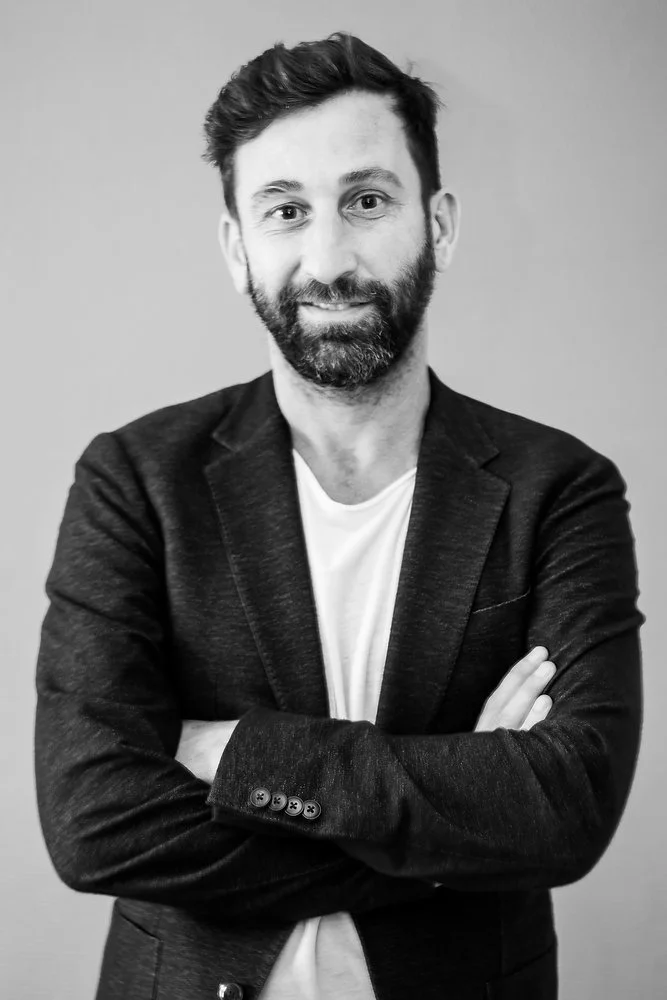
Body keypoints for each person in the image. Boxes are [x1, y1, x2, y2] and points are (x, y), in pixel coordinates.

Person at [35, 32, 643, 1000]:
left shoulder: (559, 488)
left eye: (366, 201)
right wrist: (458, 829)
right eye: (285, 210)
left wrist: (234, 755)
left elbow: (566, 809)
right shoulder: (134, 480)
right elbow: (94, 822)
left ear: (437, 224)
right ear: (236, 247)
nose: (328, 259)